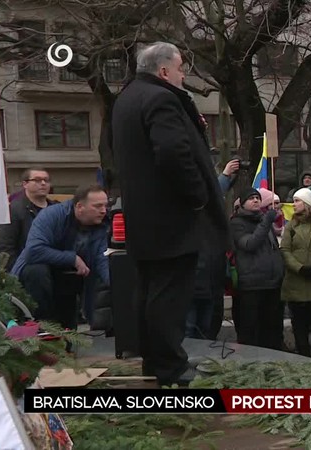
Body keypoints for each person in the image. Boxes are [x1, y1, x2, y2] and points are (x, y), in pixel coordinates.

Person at [112, 42, 229, 386]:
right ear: (164, 71)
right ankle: (169, 366)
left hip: (145, 218)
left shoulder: (127, 98)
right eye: (180, 69)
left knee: (149, 290)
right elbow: (173, 153)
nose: (183, 75)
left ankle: (156, 359)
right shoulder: (162, 98)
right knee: (170, 296)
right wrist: (196, 198)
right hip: (171, 219)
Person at [11, 185, 110, 330]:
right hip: (36, 279)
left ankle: (66, 337)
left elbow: (102, 260)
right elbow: (34, 250)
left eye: (105, 205)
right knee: (37, 272)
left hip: (68, 282)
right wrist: (73, 258)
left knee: (69, 285)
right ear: (80, 206)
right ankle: (41, 329)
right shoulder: (52, 215)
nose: (103, 211)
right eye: (97, 206)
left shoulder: (101, 226)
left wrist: (117, 285)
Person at [187, 159, 239, 340]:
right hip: (192, 286)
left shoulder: (214, 227)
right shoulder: (190, 215)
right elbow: (211, 194)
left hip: (212, 285)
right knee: (190, 329)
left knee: (208, 329)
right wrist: (224, 175)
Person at [231, 188, 285, 349]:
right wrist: (266, 222)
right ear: (242, 203)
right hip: (252, 285)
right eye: (251, 198)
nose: (255, 200)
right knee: (251, 331)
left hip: (272, 284)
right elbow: (250, 244)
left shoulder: (264, 220)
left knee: (272, 330)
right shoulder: (237, 223)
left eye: (257, 198)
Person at [280, 188, 311, 358]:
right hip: (295, 284)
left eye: (298, 200)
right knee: (299, 325)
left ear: (307, 204)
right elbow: (285, 249)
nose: (294, 204)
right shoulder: (291, 225)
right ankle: (303, 355)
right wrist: (298, 267)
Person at [0, 168, 57, 271]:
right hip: (28, 269)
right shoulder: (13, 210)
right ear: (25, 184)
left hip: (55, 264)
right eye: (37, 180)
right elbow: (4, 247)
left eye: (46, 180)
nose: (43, 183)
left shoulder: (56, 209)